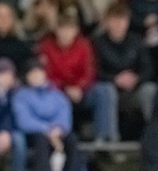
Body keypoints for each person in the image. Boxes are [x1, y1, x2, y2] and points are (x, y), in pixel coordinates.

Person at [37, 13, 116, 141]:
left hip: (81, 91)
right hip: (56, 92)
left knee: (105, 90)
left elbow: (90, 71)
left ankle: (106, 140)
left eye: (69, 29)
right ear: (56, 30)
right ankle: (56, 140)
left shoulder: (84, 45)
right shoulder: (46, 47)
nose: (65, 34)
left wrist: (79, 87)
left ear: (76, 31)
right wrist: (64, 88)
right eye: (62, 29)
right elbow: (45, 75)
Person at [91, 3, 156, 140]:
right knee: (106, 91)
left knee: (150, 90)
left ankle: (155, 137)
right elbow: (93, 71)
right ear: (107, 21)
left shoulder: (136, 41)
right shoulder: (96, 43)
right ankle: (111, 141)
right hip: (110, 89)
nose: (119, 24)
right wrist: (115, 79)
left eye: (122, 20)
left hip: (134, 90)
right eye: (115, 20)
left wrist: (136, 79)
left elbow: (148, 68)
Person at [12, 61, 82, 171]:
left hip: (57, 131)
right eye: (32, 74)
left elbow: (64, 114)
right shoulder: (21, 96)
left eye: (38, 73)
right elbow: (24, 120)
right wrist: (47, 129)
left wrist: (59, 129)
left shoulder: (57, 94)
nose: (36, 77)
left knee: (72, 140)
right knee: (41, 140)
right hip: (35, 132)